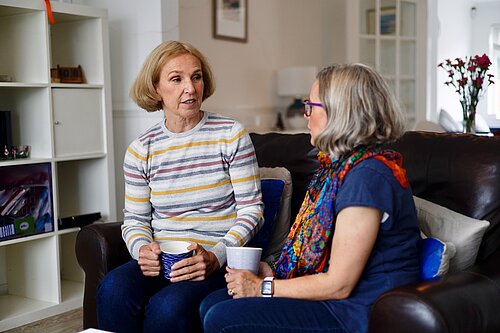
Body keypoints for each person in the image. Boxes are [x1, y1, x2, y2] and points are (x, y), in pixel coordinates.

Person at [200, 63, 421, 333]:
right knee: (212, 302)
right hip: (333, 300)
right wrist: (271, 270)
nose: (306, 116)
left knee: (221, 317)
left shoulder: (368, 177)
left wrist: (262, 287)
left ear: (340, 113)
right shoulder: (337, 169)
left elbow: (339, 284)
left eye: (311, 106)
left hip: (355, 312)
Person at [96, 41, 264, 333]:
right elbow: (135, 220)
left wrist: (216, 256)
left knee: (167, 309)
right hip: (162, 258)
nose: (191, 87)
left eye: (196, 77)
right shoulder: (141, 149)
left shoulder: (231, 135)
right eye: (177, 79)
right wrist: (141, 251)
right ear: (155, 89)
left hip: (209, 260)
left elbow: (252, 211)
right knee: (112, 288)